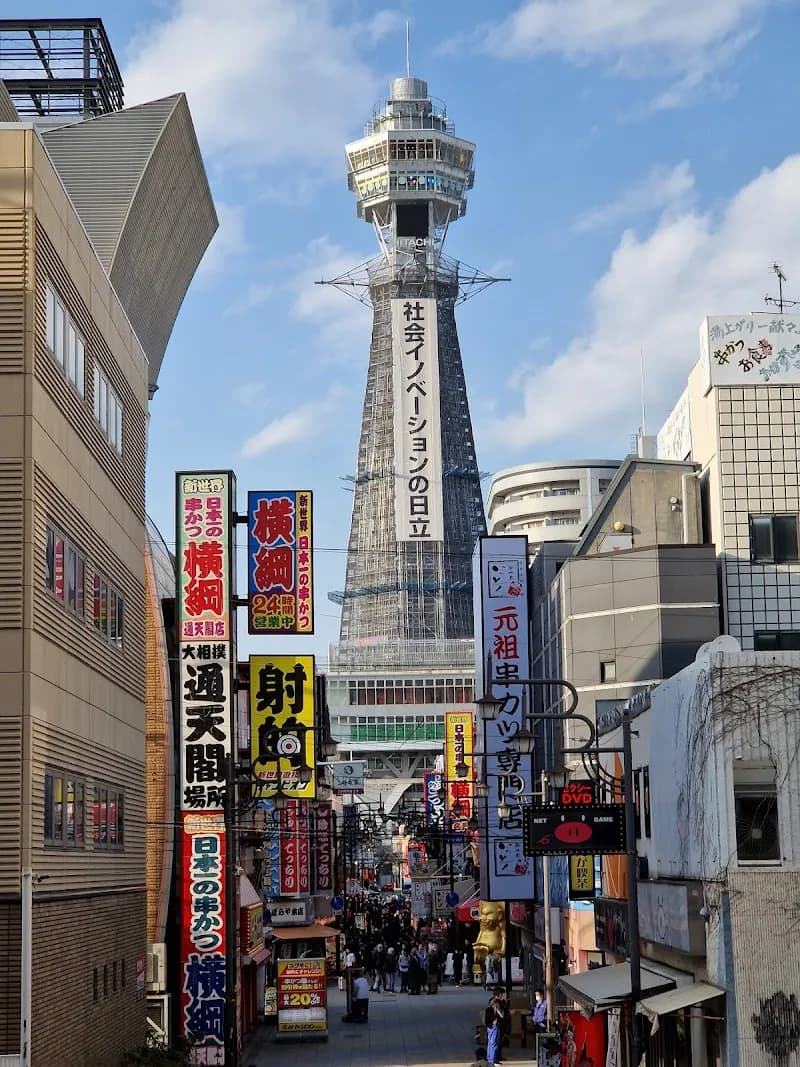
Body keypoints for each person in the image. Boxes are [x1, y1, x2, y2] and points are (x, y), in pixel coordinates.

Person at [484, 986, 508, 1066]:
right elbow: (502, 1014)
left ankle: (490, 1058)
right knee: (494, 1043)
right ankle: (493, 1060)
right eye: (503, 994)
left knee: (490, 1042)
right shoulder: (497, 1003)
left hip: (490, 1024)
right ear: (500, 994)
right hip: (495, 1024)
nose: (503, 995)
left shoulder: (491, 1000)